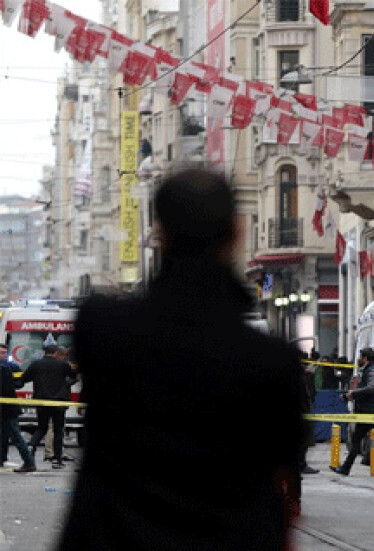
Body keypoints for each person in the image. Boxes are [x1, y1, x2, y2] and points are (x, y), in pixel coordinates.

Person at [57, 169, 307, 551]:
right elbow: (284, 478)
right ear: (238, 232)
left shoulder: (101, 331)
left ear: (159, 233)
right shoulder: (274, 363)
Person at [330, 348, 374, 476]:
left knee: (367, 439)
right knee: (365, 439)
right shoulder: (369, 370)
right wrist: (352, 395)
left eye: (360, 357)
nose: (359, 359)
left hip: (371, 411)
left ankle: (346, 468)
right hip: (368, 410)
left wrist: (353, 393)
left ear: (365, 358)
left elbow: (371, 388)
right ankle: (346, 468)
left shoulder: (372, 370)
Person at [22, 341, 76, 470]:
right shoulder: (63, 364)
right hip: (59, 402)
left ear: (44, 352)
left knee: (41, 428)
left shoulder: (36, 364)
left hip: (41, 402)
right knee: (58, 430)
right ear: (55, 353)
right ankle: (57, 459)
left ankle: (31, 445)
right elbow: (73, 376)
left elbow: (24, 378)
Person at [0, 344, 35, 472]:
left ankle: (29, 462)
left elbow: (20, 382)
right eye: (0, 352)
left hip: (8, 408)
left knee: (16, 436)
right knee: (5, 435)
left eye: (4, 353)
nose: (2, 355)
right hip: (7, 406)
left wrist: (11, 383)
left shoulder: (11, 367)